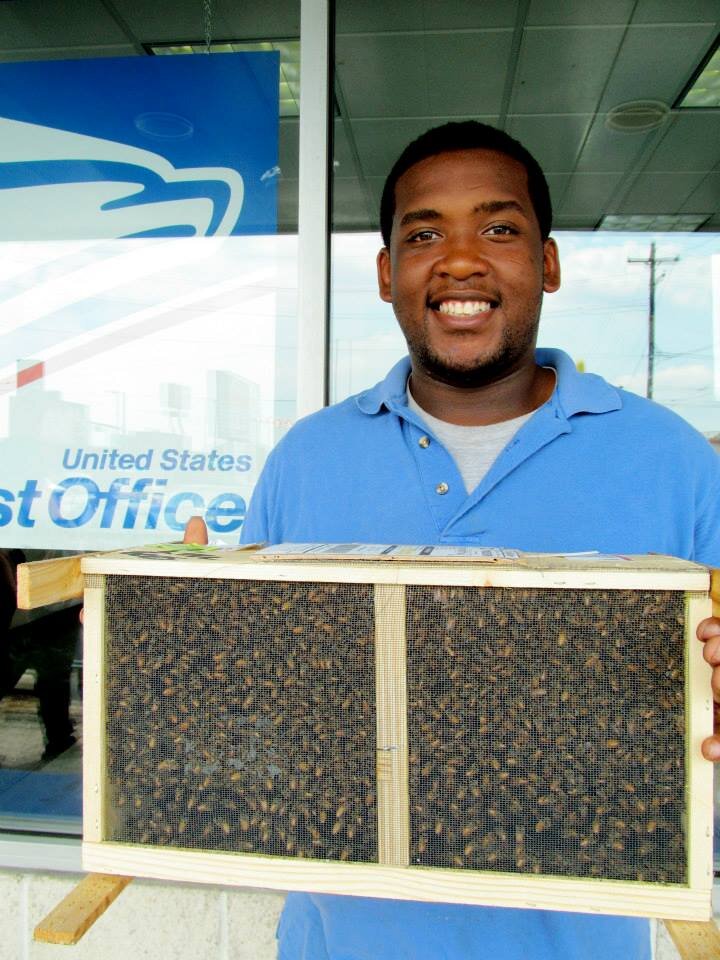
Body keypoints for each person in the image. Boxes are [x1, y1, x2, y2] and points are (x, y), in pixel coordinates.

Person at [187, 121, 720, 960]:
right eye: (424, 233)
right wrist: (162, 647)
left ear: (547, 263)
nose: (461, 259)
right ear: (386, 272)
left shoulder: (675, 461)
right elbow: (255, 728)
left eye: (499, 229)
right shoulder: (306, 460)